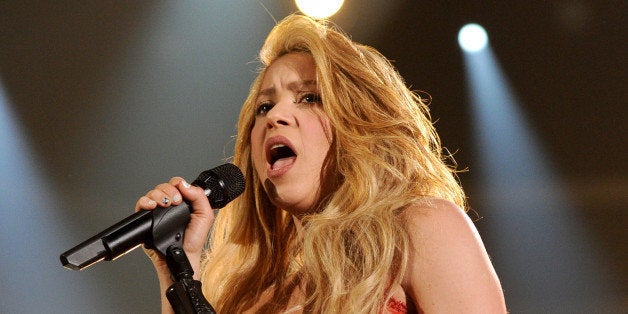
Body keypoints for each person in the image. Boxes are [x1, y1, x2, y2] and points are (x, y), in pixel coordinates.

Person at [136, 14, 506, 313]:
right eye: (264, 107)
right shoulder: (249, 295)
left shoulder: (421, 231)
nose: (275, 116)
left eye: (310, 97)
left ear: (360, 124)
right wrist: (180, 271)